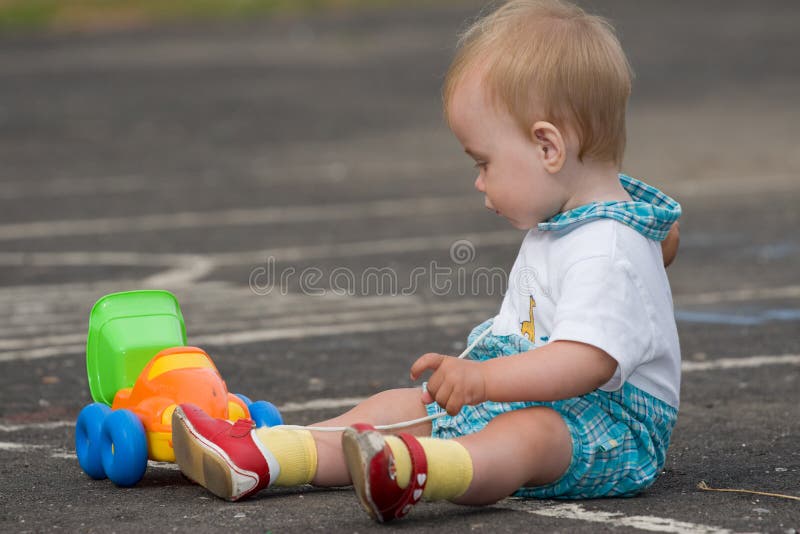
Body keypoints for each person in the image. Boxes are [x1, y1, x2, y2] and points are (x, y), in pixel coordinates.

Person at [170, 0, 683, 523]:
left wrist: (484, 381)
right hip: (539, 396)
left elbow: (584, 362)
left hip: (611, 428)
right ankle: (267, 454)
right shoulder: (590, 223)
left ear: (547, 147)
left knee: (527, 436)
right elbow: (659, 246)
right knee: (401, 406)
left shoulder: (607, 245)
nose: (479, 181)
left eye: (485, 162)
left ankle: (421, 470)